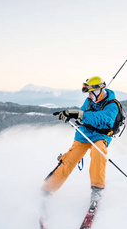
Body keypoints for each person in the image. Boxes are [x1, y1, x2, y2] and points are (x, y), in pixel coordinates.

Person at [41, 76, 119, 204]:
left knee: (98, 152)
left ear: (99, 90)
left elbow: (104, 120)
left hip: (101, 135)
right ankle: (47, 189)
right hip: (84, 135)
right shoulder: (89, 101)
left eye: (90, 92)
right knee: (69, 159)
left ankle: (97, 189)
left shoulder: (112, 105)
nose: (89, 96)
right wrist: (72, 116)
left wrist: (80, 114)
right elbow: (82, 115)